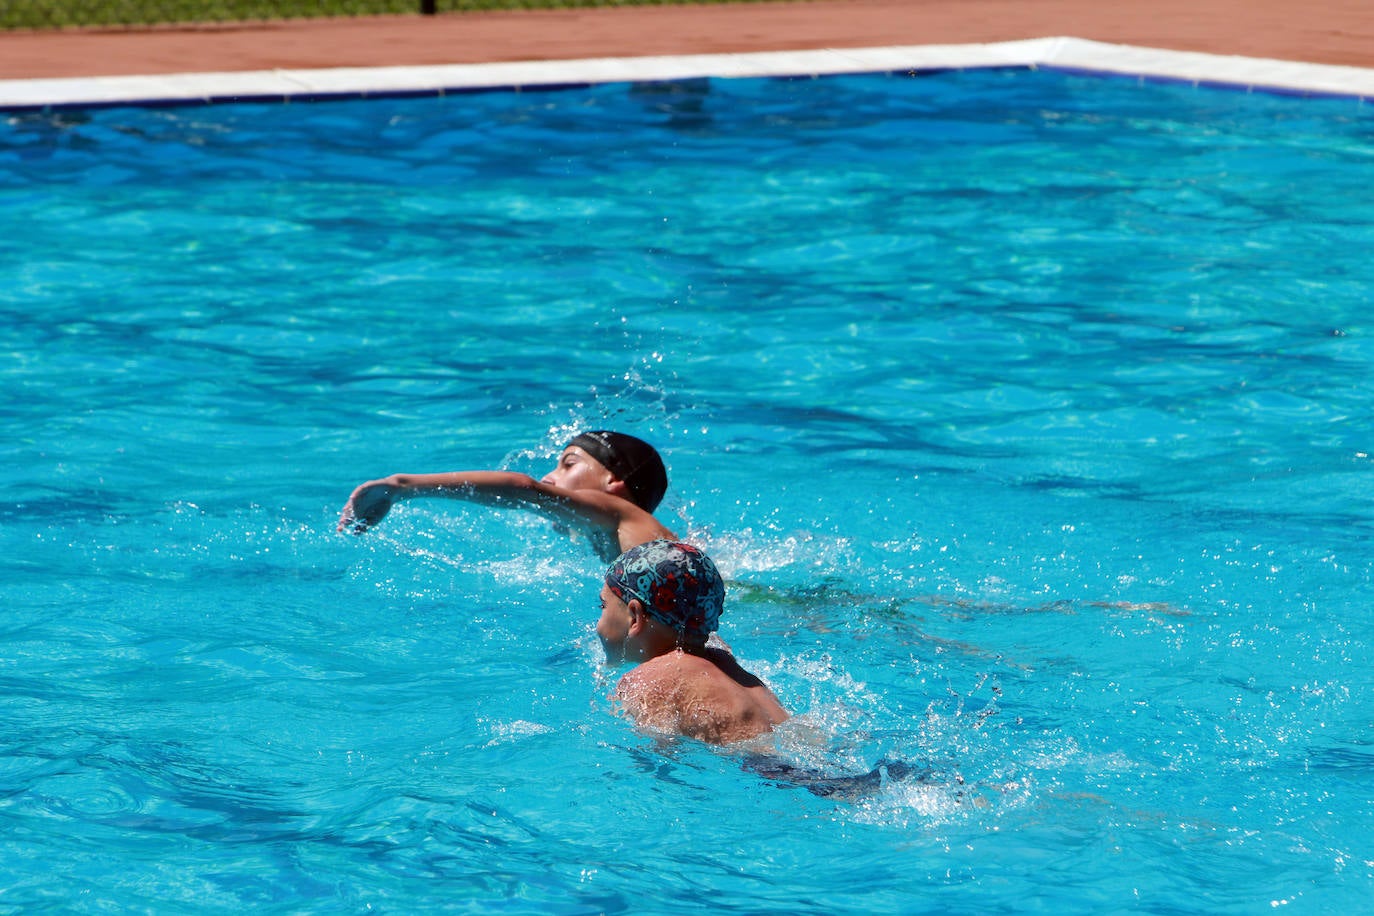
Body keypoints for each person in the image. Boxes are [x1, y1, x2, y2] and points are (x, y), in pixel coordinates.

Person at [337, 430, 676, 561]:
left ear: (614, 481)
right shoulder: (620, 537)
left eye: (568, 465)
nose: (549, 477)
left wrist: (402, 486)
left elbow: (524, 489)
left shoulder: (617, 509)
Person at [597, 539, 790, 745]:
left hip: (764, 770)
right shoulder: (723, 660)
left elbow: (658, 762)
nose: (598, 622)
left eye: (603, 606)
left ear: (635, 616)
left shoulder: (647, 681)